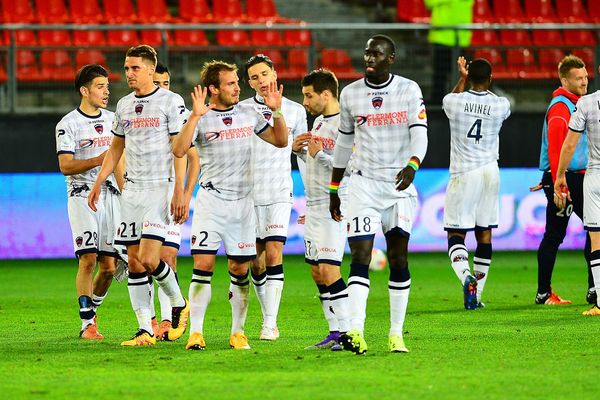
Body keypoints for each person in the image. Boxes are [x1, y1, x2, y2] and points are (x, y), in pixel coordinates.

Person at [173, 60, 288, 351]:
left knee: (240, 268)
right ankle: (196, 333)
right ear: (213, 88)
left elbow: (280, 140)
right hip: (212, 202)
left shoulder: (250, 112)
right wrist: (195, 118)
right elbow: (178, 150)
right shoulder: (199, 116)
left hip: (243, 205)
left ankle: (238, 332)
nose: (238, 87)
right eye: (231, 83)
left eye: (238, 82)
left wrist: (276, 111)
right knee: (203, 264)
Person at [330, 34, 428, 354]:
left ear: (391, 59)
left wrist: (413, 164)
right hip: (362, 185)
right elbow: (344, 143)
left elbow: (420, 134)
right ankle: (356, 331)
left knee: (398, 257)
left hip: (398, 187)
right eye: (367, 53)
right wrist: (334, 187)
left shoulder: (409, 90)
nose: (369, 58)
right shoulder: (351, 93)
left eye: (376, 54)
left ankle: (395, 333)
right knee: (360, 256)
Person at [88, 45, 190, 346]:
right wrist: (100, 181)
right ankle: (145, 329)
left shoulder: (171, 102)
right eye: (126, 67)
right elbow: (116, 147)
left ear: (149, 69)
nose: (128, 73)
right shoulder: (123, 105)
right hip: (132, 190)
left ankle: (178, 302)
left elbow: (181, 150)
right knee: (133, 262)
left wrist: (180, 191)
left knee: (148, 257)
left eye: (134, 67)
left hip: (161, 188)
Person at [240, 54, 308, 341]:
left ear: (275, 74)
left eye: (264, 74)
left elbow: (304, 154)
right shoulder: (242, 110)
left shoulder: (294, 110)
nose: (261, 81)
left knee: (273, 253)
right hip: (249, 193)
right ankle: (266, 314)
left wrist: (311, 196)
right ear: (249, 82)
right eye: (254, 77)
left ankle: (270, 322)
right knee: (256, 262)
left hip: (280, 190)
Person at [56, 64, 123, 340]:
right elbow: (66, 165)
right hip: (82, 195)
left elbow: (121, 159)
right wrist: (99, 160)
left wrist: (126, 190)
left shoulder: (114, 120)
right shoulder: (67, 124)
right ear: (84, 91)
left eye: (107, 86)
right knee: (88, 260)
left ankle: (91, 313)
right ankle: (87, 325)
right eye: (100, 86)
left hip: (111, 196)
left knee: (109, 267)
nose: (106, 92)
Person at [442, 56, 511, 310]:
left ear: (469, 77)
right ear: (491, 79)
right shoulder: (501, 104)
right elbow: (490, 97)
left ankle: (466, 277)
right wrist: (479, 81)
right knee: (484, 233)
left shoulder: (454, 101)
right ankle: (477, 296)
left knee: (456, 233)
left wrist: (462, 78)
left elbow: (451, 101)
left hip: (464, 172)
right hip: (491, 171)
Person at [293, 69, 350, 350]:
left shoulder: (346, 125)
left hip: (333, 206)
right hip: (313, 207)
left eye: (308, 95)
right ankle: (334, 331)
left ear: (325, 94)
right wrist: (299, 151)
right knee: (317, 272)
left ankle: (350, 332)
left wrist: (322, 155)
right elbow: (315, 160)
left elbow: (352, 167)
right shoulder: (316, 123)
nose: (305, 101)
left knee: (329, 270)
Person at [534, 55, 595, 306]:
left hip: (572, 177)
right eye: (578, 78)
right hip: (567, 180)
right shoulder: (562, 108)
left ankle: (592, 288)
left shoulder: (576, 104)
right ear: (564, 80)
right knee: (559, 234)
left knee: (591, 231)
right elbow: (559, 148)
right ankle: (545, 292)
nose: (584, 82)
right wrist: (558, 182)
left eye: (585, 77)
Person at [146, 62, 200, 340]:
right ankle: (151, 321)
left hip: (171, 196)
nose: (162, 88)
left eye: (165, 83)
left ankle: (170, 320)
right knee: (144, 260)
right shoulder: (139, 113)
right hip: (143, 194)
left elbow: (193, 157)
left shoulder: (176, 116)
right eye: (157, 83)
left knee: (166, 256)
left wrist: (186, 193)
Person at [554, 64, 600, 316]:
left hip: (594, 178)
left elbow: (570, 143)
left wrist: (560, 174)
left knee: (596, 239)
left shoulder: (586, 103)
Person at [425, 0, 474, 104]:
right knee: (440, 73)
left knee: (460, 74)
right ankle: (439, 103)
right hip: (443, 36)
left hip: (458, 37)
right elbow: (429, 3)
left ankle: (457, 102)